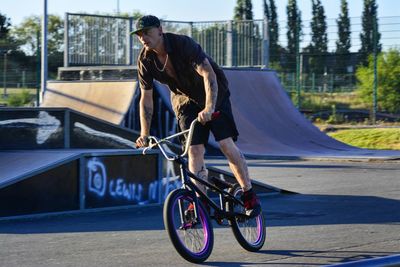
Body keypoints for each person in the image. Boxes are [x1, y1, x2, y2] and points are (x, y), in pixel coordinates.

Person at [133, 15, 260, 217]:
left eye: (146, 33)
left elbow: (208, 74)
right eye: (139, 35)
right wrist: (144, 134)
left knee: (225, 144)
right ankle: (199, 203)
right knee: (193, 150)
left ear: (159, 30)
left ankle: (248, 193)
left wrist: (209, 107)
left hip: (214, 94)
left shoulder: (183, 44)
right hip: (185, 101)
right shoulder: (145, 61)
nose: (143, 38)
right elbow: (146, 99)